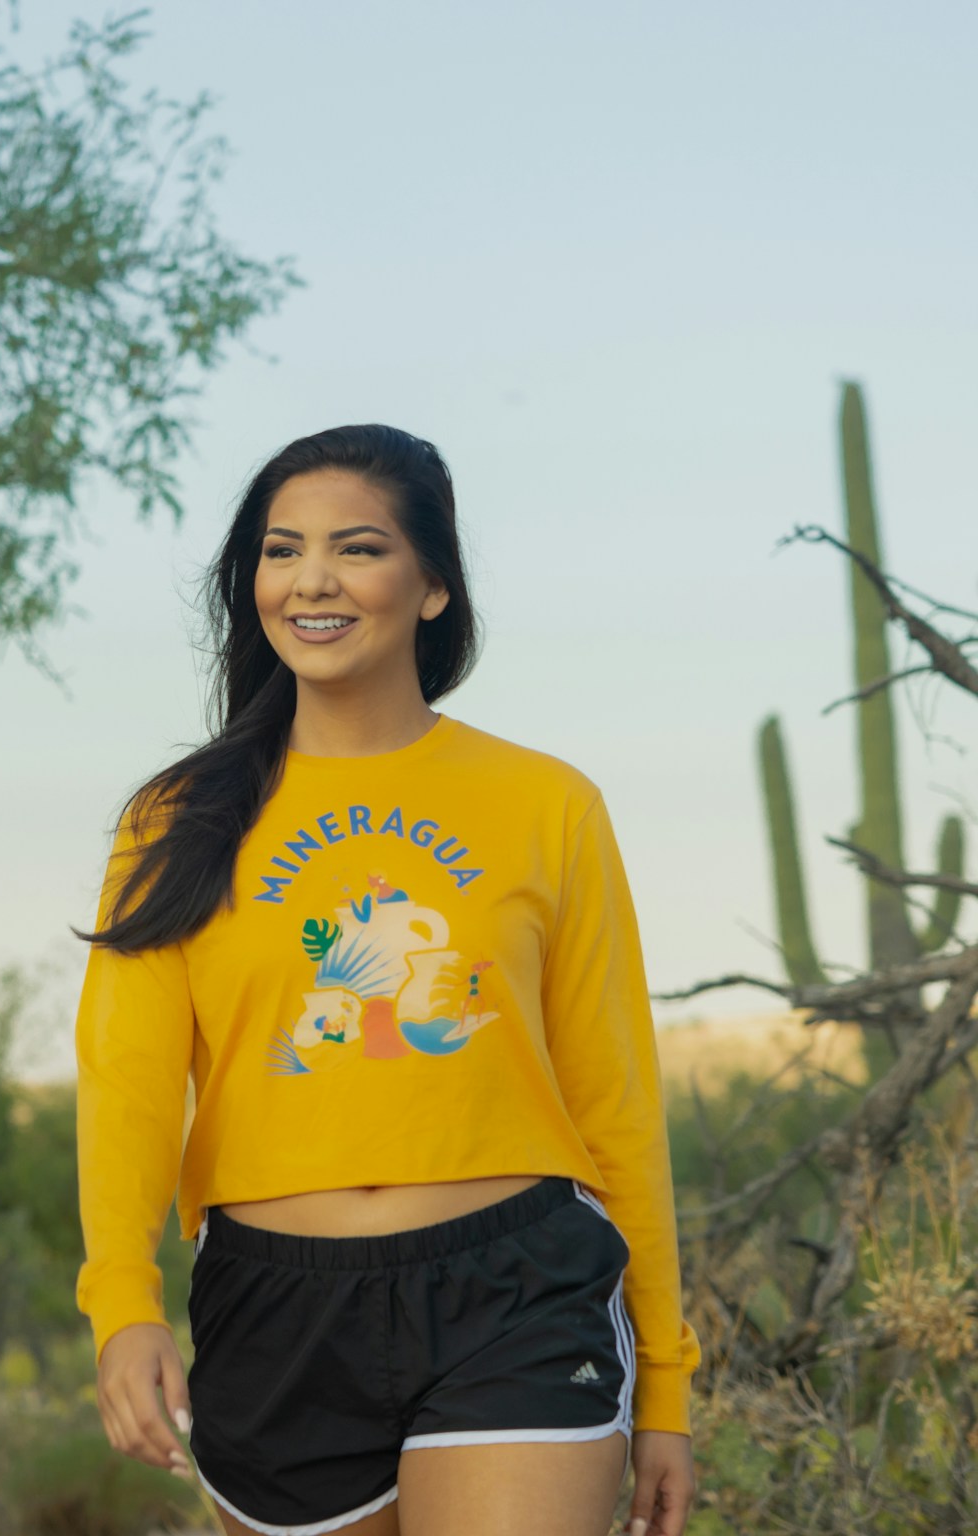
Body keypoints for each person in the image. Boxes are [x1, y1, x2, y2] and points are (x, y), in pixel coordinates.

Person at [74, 427, 698, 1536]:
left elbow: (616, 1097)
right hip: (274, 1307)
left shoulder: (546, 803)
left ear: (433, 588)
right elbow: (125, 1085)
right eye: (281, 551)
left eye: (356, 548)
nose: (312, 579)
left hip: (516, 1290)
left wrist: (665, 1384)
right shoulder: (174, 821)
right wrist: (122, 1301)